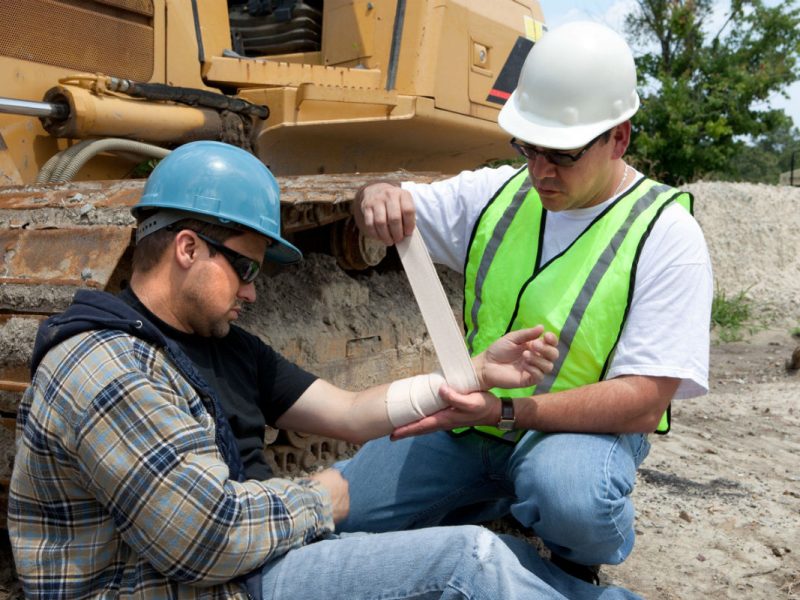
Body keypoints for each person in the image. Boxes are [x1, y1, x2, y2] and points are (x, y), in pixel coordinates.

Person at [8, 140, 643, 599]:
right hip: (195, 584)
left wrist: (473, 374)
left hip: (251, 562)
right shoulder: (103, 367)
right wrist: (327, 496)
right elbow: (204, 539)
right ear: (187, 248)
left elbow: (347, 412)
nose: (254, 292)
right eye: (248, 267)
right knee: (466, 560)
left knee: (487, 556)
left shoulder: (225, 346)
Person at [337, 19, 713, 583]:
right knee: (347, 515)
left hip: (573, 439)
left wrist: (509, 411)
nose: (540, 170)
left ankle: (570, 559)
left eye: (560, 154)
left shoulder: (666, 235)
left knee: (572, 498)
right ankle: (496, 502)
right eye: (528, 148)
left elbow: (644, 401)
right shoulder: (501, 193)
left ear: (619, 138)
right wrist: (376, 196)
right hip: (471, 427)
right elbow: (392, 202)